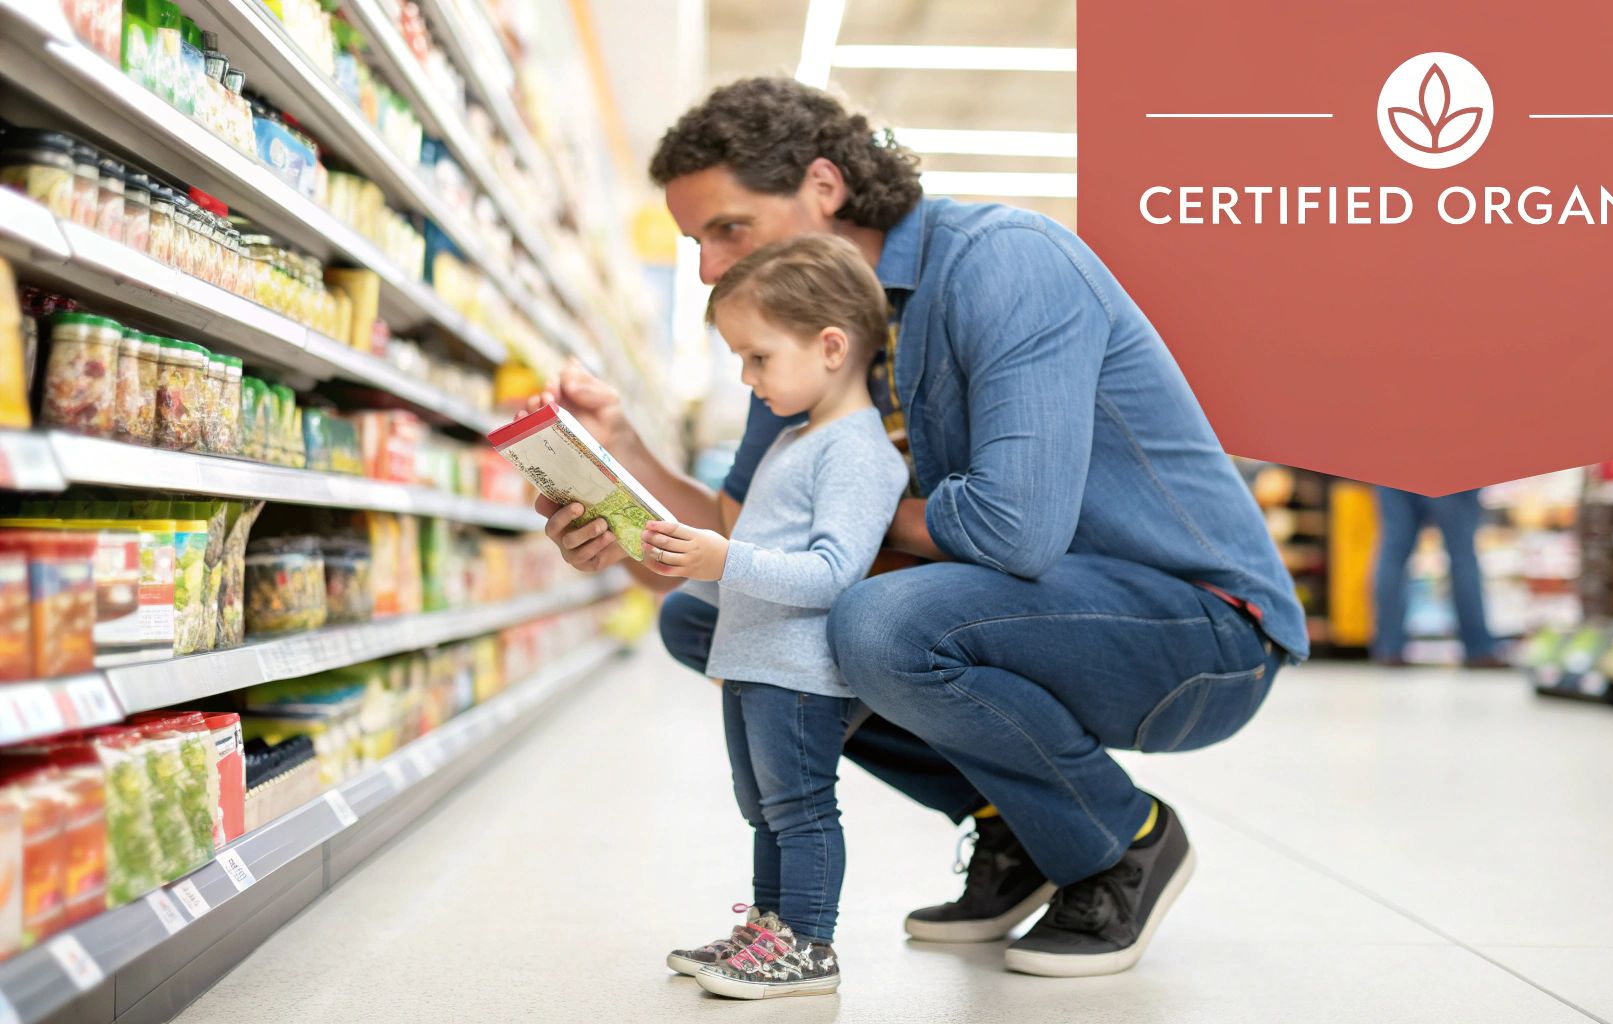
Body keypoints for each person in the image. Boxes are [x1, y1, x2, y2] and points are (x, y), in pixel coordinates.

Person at [531, 77, 1308, 978]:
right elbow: (743, 544)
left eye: (727, 229)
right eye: (697, 242)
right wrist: (617, 469)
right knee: (708, 621)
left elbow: (1014, 532)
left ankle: (1119, 840)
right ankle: (1010, 824)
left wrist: (832, 525)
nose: (709, 267)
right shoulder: (801, 323)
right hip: (1017, 616)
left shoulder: (1004, 263)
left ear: (824, 187)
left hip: (1197, 631)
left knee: (882, 624)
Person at [639, 236, 905, 998]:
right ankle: (770, 931)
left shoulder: (858, 452)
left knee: (801, 808)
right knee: (763, 809)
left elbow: (832, 573)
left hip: (800, 669)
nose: (748, 378)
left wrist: (722, 559)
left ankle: (810, 947)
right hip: (755, 661)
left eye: (758, 358)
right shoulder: (797, 439)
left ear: (830, 346)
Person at [1370, 486, 1503, 667]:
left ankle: (1389, 649)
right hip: (1450, 468)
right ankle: (1478, 649)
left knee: (1393, 552)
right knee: (1462, 554)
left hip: (1392, 464)